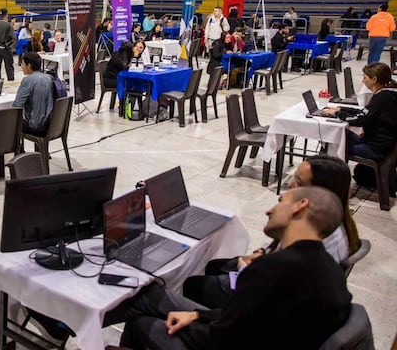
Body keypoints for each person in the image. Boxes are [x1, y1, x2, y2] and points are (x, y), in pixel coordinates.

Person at [119, 186, 352, 350]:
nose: (269, 210)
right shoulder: (329, 270)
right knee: (149, 295)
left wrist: (193, 326)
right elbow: (248, 316)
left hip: (228, 343)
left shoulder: (275, 268)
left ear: (300, 206)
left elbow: (222, 339)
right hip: (258, 337)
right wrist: (199, 314)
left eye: (280, 201)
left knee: (141, 320)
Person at [182, 155, 360, 309]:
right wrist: (262, 253)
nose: (290, 184)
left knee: (192, 284)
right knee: (214, 265)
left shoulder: (313, 245)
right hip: (270, 281)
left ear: (317, 194)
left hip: (260, 298)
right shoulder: (334, 222)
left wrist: (249, 268)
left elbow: (270, 289)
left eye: (299, 182)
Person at [322, 62, 397, 161]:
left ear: (374, 79)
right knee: (344, 134)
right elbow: (365, 112)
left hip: (375, 148)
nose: (363, 81)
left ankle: (330, 170)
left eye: (365, 78)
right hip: (383, 144)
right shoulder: (388, 94)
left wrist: (337, 113)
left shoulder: (381, 98)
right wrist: (341, 109)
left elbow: (359, 119)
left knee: (334, 140)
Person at [13, 52, 54, 136]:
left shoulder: (28, 80)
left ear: (29, 66)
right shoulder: (50, 78)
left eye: (23, 64)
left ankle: (18, 148)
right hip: (52, 123)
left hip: (36, 126)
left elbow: (17, 105)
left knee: (6, 122)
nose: (21, 66)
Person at [0, 8, 17, 81]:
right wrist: (10, 47)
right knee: (9, 67)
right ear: (6, 15)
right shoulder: (9, 25)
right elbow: (13, 38)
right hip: (5, 49)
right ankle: (11, 81)